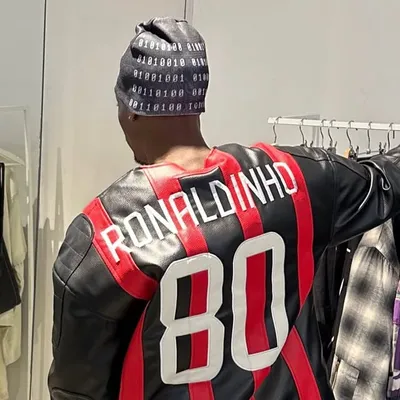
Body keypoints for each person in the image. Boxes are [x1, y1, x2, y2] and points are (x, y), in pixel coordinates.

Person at [48, 17, 400, 400]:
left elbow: (77, 389)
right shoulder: (298, 178)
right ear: (197, 103)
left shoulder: (102, 236)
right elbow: (385, 181)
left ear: (130, 109)